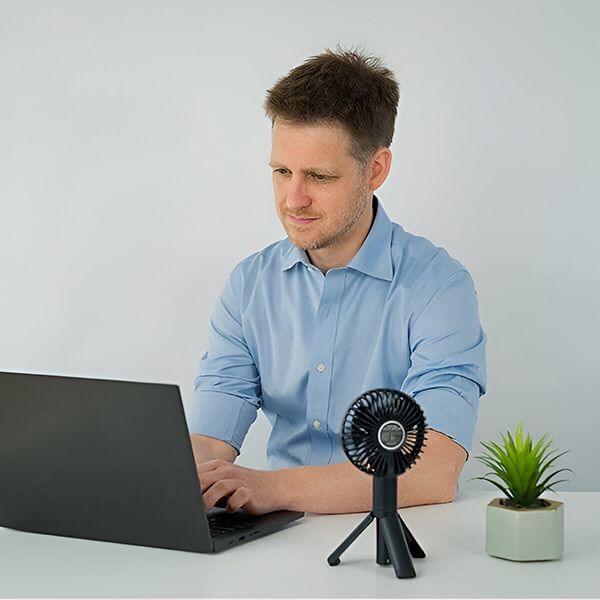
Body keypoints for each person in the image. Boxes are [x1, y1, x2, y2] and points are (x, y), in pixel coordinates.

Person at [187, 48, 487, 516]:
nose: (294, 199)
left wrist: (272, 489)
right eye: (282, 172)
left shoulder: (438, 288)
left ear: (376, 170)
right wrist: (162, 475)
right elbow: (209, 439)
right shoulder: (249, 285)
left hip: (395, 537)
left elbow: (434, 468)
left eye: (319, 176)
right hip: (277, 541)